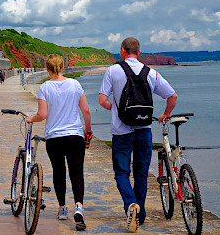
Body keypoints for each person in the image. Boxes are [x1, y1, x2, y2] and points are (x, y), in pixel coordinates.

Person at [98, 37, 177, 233]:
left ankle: (131, 205)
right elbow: (172, 96)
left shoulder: (113, 70)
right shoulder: (150, 72)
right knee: (141, 175)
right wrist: (166, 114)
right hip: (144, 130)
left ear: (122, 51)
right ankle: (139, 216)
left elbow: (102, 100)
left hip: (121, 131)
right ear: (138, 52)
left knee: (122, 173)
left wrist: (115, 110)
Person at [26, 54, 93, 231]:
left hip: (54, 138)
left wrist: (31, 119)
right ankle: (79, 207)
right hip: (74, 136)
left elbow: (43, 115)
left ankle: (62, 208)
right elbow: (86, 111)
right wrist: (88, 129)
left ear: (47, 69)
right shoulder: (75, 84)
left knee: (59, 171)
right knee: (77, 172)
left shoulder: (45, 87)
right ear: (63, 67)